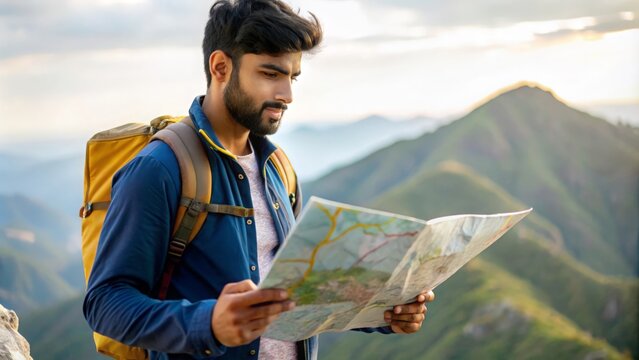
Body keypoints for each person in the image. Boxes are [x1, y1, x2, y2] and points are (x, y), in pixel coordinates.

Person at [83, 0, 435, 359]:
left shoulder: (278, 168)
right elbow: (104, 303)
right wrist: (208, 323)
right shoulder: (159, 168)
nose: (287, 95)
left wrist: (383, 312)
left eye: (292, 76)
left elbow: (297, 293)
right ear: (221, 67)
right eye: (270, 74)